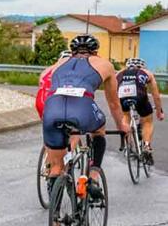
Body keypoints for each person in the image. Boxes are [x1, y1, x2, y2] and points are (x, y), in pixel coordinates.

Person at [42, 34, 127, 194]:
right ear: (95, 51)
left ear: (72, 51)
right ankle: (93, 177)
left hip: (52, 107)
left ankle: (55, 216)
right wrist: (121, 125)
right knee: (99, 130)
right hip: (82, 106)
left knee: (56, 166)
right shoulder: (105, 64)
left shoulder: (59, 63)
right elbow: (114, 103)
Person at [114, 56, 163, 164]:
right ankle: (146, 146)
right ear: (142, 66)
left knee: (126, 116)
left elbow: (113, 92)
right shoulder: (146, 73)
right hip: (139, 96)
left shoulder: (119, 73)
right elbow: (156, 96)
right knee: (147, 121)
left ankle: (128, 145)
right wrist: (159, 112)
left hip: (122, 96)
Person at [35, 49, 72, 118]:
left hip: (41, 102)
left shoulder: (46, 70)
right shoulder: (72, 71)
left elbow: (40, 85)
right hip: (59, 105)